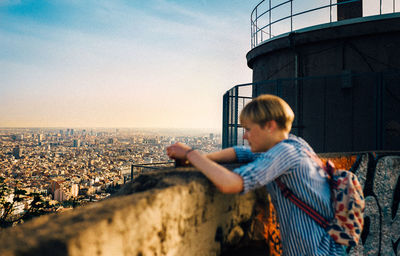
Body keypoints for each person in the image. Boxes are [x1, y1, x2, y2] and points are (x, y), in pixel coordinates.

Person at [166, 94, 345, 255]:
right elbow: (241, 152)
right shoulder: (297, 144)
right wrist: (203, 159)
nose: (245, 136)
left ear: (269, 126)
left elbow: (231, 183)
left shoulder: (284, 153)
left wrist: (190, 154)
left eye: (249, 129)